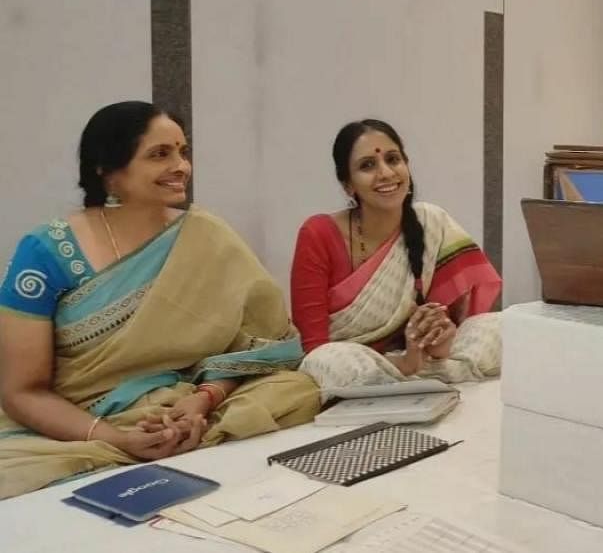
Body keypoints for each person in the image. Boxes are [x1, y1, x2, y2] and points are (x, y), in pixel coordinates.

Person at [0, 102, 319, 499]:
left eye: (183, 152)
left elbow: (264, 344)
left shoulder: (206, 235)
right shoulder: (46, 252)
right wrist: (116, 438)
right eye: (159, 155)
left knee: (297, 389)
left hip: (182, 405)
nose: (181, 166)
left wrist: (204, 400)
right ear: (107, 169)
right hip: (82, 418)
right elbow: (22, 391)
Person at [290, 119, 502, 392]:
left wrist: (437, 341)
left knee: (501, 326)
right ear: (348, 185)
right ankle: (403, 376)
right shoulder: (318, 233)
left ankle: (402, 379)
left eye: (393, 159)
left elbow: (442, 324)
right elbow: (314, 346)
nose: (386, 173)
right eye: (367, 166)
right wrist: (403, 363)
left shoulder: (431, 223)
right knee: (328, 360)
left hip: (412, 357)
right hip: (350, 360)